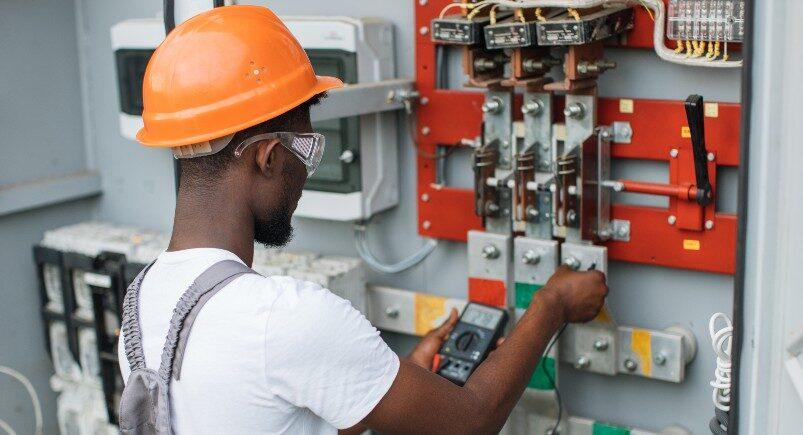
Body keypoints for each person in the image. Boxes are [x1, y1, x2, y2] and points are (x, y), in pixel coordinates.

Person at [119, 5, 608, 434]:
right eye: (305, 150)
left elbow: (266, 415)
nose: (304, 175)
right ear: (268, 158)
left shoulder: (142, 305)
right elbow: (469, 421)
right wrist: (552, 303)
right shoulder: (283, 317)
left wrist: (372, 389)